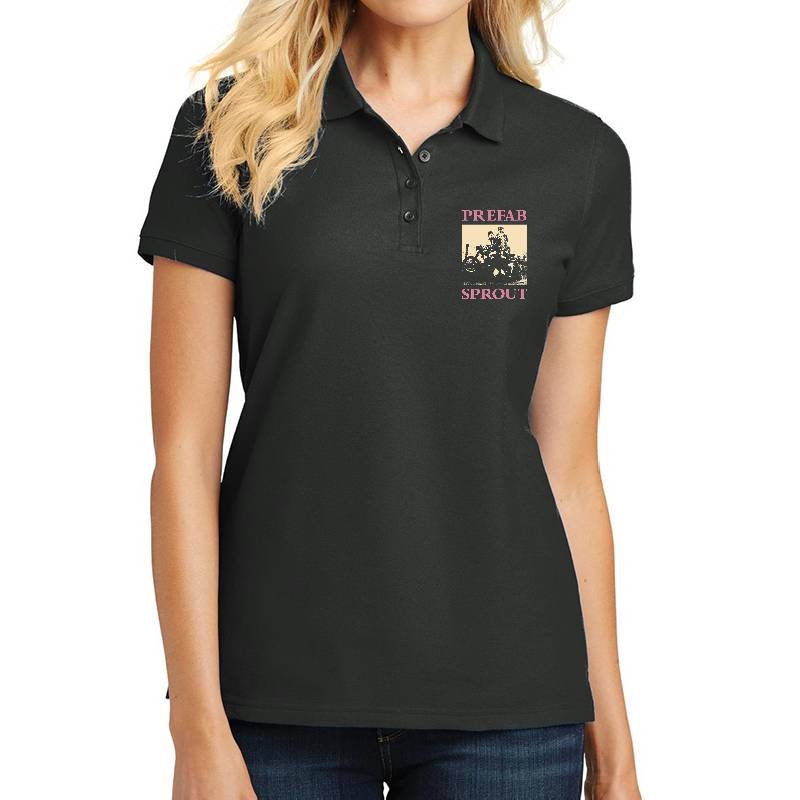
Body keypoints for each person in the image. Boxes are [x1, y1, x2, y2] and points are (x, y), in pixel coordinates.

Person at [139, 1, 641, 798]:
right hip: (273, 708)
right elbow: (183, 459)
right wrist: (195, 727)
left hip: (510, 716)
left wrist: (613, 754)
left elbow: (569, 471)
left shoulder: (574, 158)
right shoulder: (229, 129)